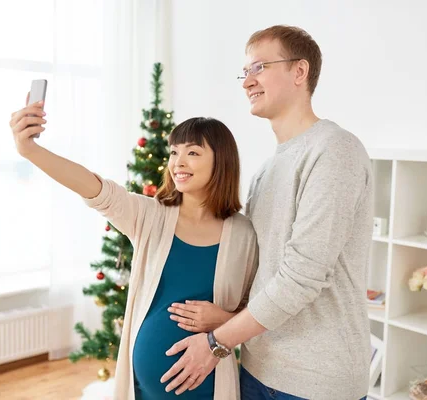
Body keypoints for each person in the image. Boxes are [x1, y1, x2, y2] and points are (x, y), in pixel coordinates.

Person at [164, 25, 373, 400]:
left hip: (315, 382)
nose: (247, 82)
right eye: (245, 73)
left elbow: (302, 276)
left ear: (299, 71)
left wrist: (216, 342)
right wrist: (229, 318)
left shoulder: (334, 150)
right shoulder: (266, 170)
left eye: (258, 68)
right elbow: (265, 272)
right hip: (258, 367)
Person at [8, 106, 258, 400]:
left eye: (192, 152)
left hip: (208, 386)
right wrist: (31, 151)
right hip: (142, 390)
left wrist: (224, 318)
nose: (178, 162)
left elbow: (259, 309)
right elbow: (94, 188)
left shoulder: (243, 234)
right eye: (174, 152)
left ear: (221, 161)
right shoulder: (151, 215)